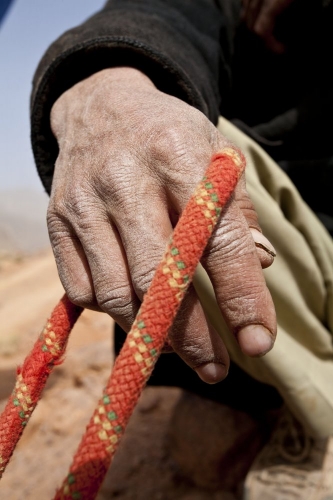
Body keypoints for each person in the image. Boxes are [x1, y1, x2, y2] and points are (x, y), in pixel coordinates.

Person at [30, 0, 333, 496]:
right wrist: (103, 83)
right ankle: (313, 402)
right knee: (183, 163)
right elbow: (164, 11)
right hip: (309, 248)